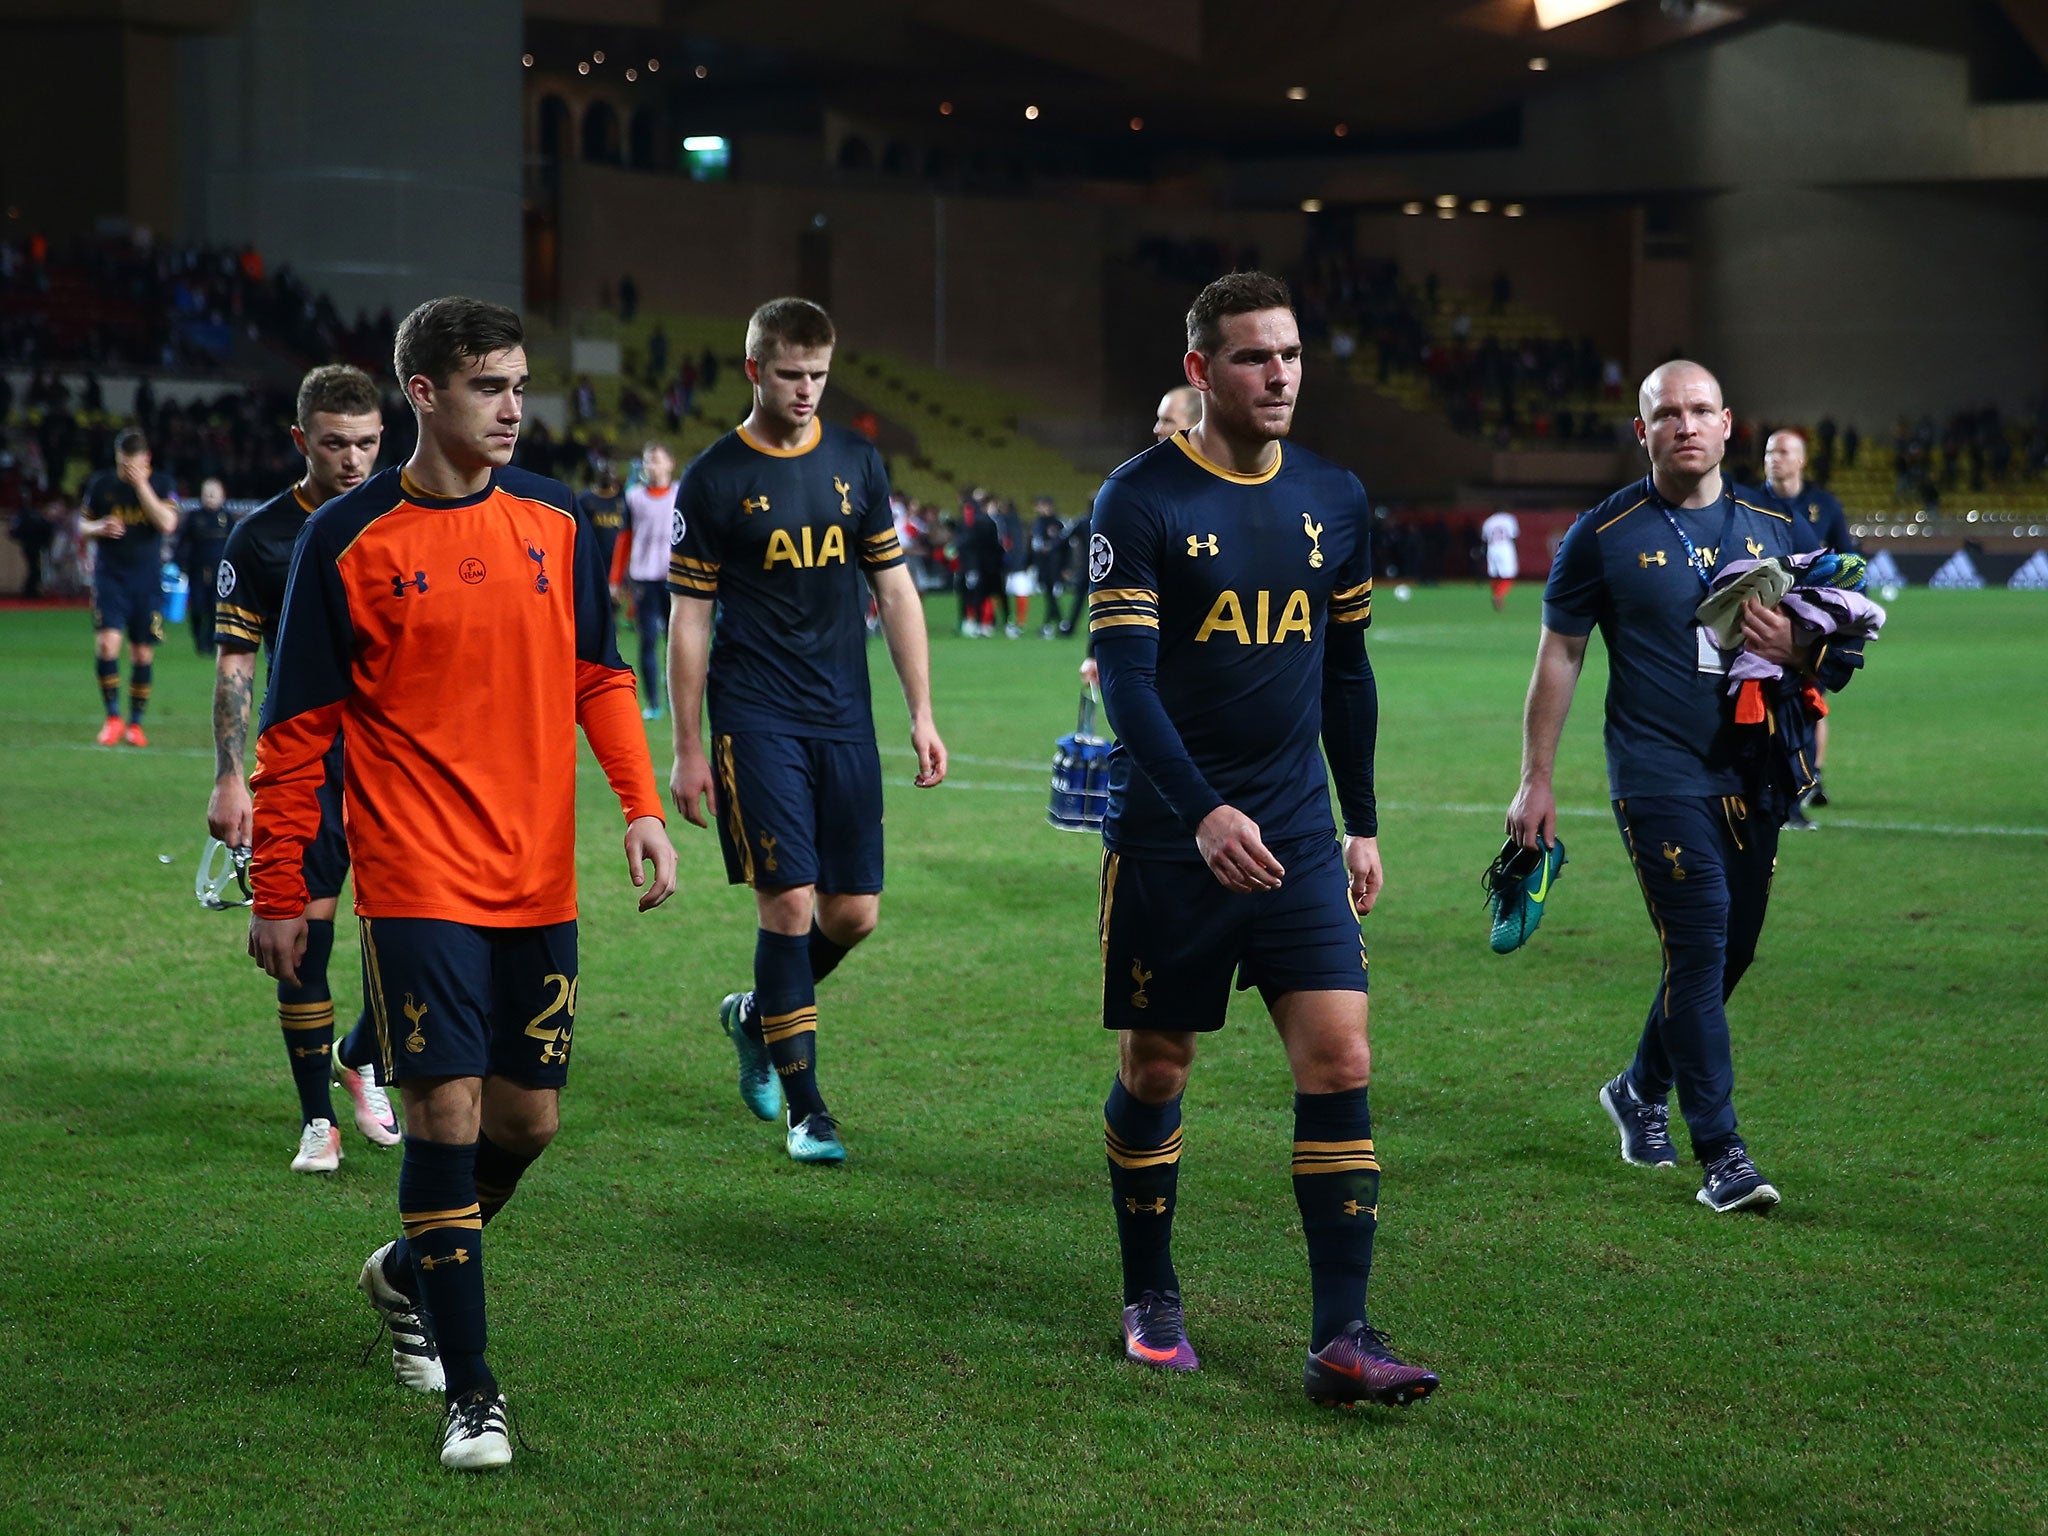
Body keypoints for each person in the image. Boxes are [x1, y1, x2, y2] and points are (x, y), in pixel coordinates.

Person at [247, 297, 675, 1471]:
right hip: (413, 877)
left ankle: (406, 1269)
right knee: (443, 1116)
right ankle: (471, 1391)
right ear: (421, 396)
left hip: (536, 876)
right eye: (488, 386)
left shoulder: (562, 519)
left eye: (520, 385)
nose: (512, 407)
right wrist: (279, 886)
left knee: (525, 1122)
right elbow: (295, 734)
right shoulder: (348, 540)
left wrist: (639, 806)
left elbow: (599, 674)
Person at [1089, 271, 1437, 1408]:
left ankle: (1342, 1337)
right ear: (1200, 370)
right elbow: (1129, 689)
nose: (1278, 374)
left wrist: (1364, 820)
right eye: (1251, 357)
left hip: (1292, 829)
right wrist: (1199, 811)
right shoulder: (1136, 501)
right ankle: (1149, 1289)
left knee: (1340, 1057)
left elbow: (1345, 671)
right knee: (1157, 1067)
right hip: (1168, 839)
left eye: (1288, 354)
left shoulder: (1335, 497)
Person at [1506, 360, 1817, 1218]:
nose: (1685, 424)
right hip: (1655, 773)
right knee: (1698, 945)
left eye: (1700, 410)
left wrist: (1799, 649)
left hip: (1752, 773)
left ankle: (1639, 1087)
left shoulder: (1773, 525)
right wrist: (1537, 779)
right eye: (1666, 413)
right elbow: (1559, 655)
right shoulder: (1602, 534)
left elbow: (1821, 645)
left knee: (1729, 955)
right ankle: (1723, 1153)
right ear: (1641, 431)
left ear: (1728, 424)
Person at [667, 296, 947, 1165]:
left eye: (818, 375)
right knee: (787, 903)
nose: (805, 390)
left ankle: (756, 1016)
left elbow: (894, 591)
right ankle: (807, 1108)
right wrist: (685, 749)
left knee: (852, 914)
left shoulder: (857, 461)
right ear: (755, 369)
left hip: (842, 715)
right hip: (754, 716)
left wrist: (922, 712)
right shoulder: (713, 478)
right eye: (790, 374)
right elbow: (688, 620)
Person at [211, 365, 400, 1173]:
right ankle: (318, 1120)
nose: (352, 460)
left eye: (364, 443)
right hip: (309, 769)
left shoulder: (406, 519)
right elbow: (234, 668)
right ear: (301, 441)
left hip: (402, 766)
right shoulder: (260, 539)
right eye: (334, 444)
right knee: (306, 945)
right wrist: (227, 777)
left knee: (417, 945)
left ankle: (359, 1055)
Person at [1757, 427, 1856, 820]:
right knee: (1767, 704)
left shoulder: (1824, 505)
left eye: (1782, 451)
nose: (1773, 458)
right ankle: (1780, 786)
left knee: (1811, 702)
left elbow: (1848, 561)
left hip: (1812, 622)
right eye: (1768, 452)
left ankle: (1809, 777)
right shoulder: (1747, 502)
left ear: (1801, 460)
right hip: (1764, 618)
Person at [80, 428, 179, 746]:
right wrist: (98, 527)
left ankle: (136, 724)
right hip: (110, 578)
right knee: (107, 645)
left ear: (146, 459)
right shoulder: (101, 484)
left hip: (147, 581)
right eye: (123, 465)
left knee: (141, 653)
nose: (127, 471)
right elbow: (81, 524)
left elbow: (167, 523)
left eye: (133, 465)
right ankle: (112, 718)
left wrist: (141, 485)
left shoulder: (162, 484)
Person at [614, 440, 679, 718]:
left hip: (674, 576)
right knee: (648, 639)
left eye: (657, 460)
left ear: (670, 464)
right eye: (647, 461)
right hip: (643, 578)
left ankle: (675, 694)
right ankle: (653, 703)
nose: (651, 466)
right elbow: (624, 538)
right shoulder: (634, 497)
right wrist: (615, 579)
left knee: (677, 640)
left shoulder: (681, 494)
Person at [174, 477, 235, 656]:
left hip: (220, 573)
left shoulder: (227, 518)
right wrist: (179, 563)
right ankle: (199, 641)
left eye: (214, 494)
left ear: (222, 496)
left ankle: (212, 642)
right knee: (198, 607)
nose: (210, 497)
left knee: (216, 608)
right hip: (197, 570)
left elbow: (236, 545)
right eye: (207, 493)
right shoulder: (194, 517)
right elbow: (181, 542)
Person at [576, 459, 627, 581]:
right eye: (603, 473)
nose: (607, 477)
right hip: (593, 555)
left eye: (610, 473)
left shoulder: (624, 499)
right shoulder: (585, 500)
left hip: (617, 555)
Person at [1481, 506, 1520, 611]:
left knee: (1494, 575)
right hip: (1505, 548)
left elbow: (1484, 539)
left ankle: (1496, 595)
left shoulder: (1488, 521)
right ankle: (1498, 595)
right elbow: (1513, 536)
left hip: (1492, 548)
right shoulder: (1509, 518)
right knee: (1509, 576)